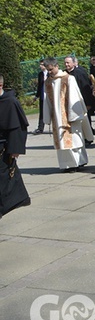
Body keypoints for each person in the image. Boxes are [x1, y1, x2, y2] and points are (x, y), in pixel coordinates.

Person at [43, 57, 95, 172]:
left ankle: (78, 163)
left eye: (51, 69)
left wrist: (73, 115)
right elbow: (46, 101)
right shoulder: (48, 82)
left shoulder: (68, 79)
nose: (49, 72)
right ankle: (66, 165)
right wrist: (47, 117)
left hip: (69, 115)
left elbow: (74, 96)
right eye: (48, 70)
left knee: (75, 140)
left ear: (56, 66)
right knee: (62, 143)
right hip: (56, 117)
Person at [0, 75, 31, 218]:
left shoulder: (10, 102)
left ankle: (6, 205)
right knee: (10, 174)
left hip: (5, 145)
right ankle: (21, 198)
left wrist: (15, 149)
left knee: (5, 174)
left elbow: (18, 127)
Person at [33, 60, 46, 134]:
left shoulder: (50, 73)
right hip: (42, 96)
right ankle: (40, 128)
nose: (40, 66)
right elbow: (39, 86)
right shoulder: (40, 74)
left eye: (42, 65)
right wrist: (37, 96)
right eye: (40, 65)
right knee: (42, 112)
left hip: (49, 96)